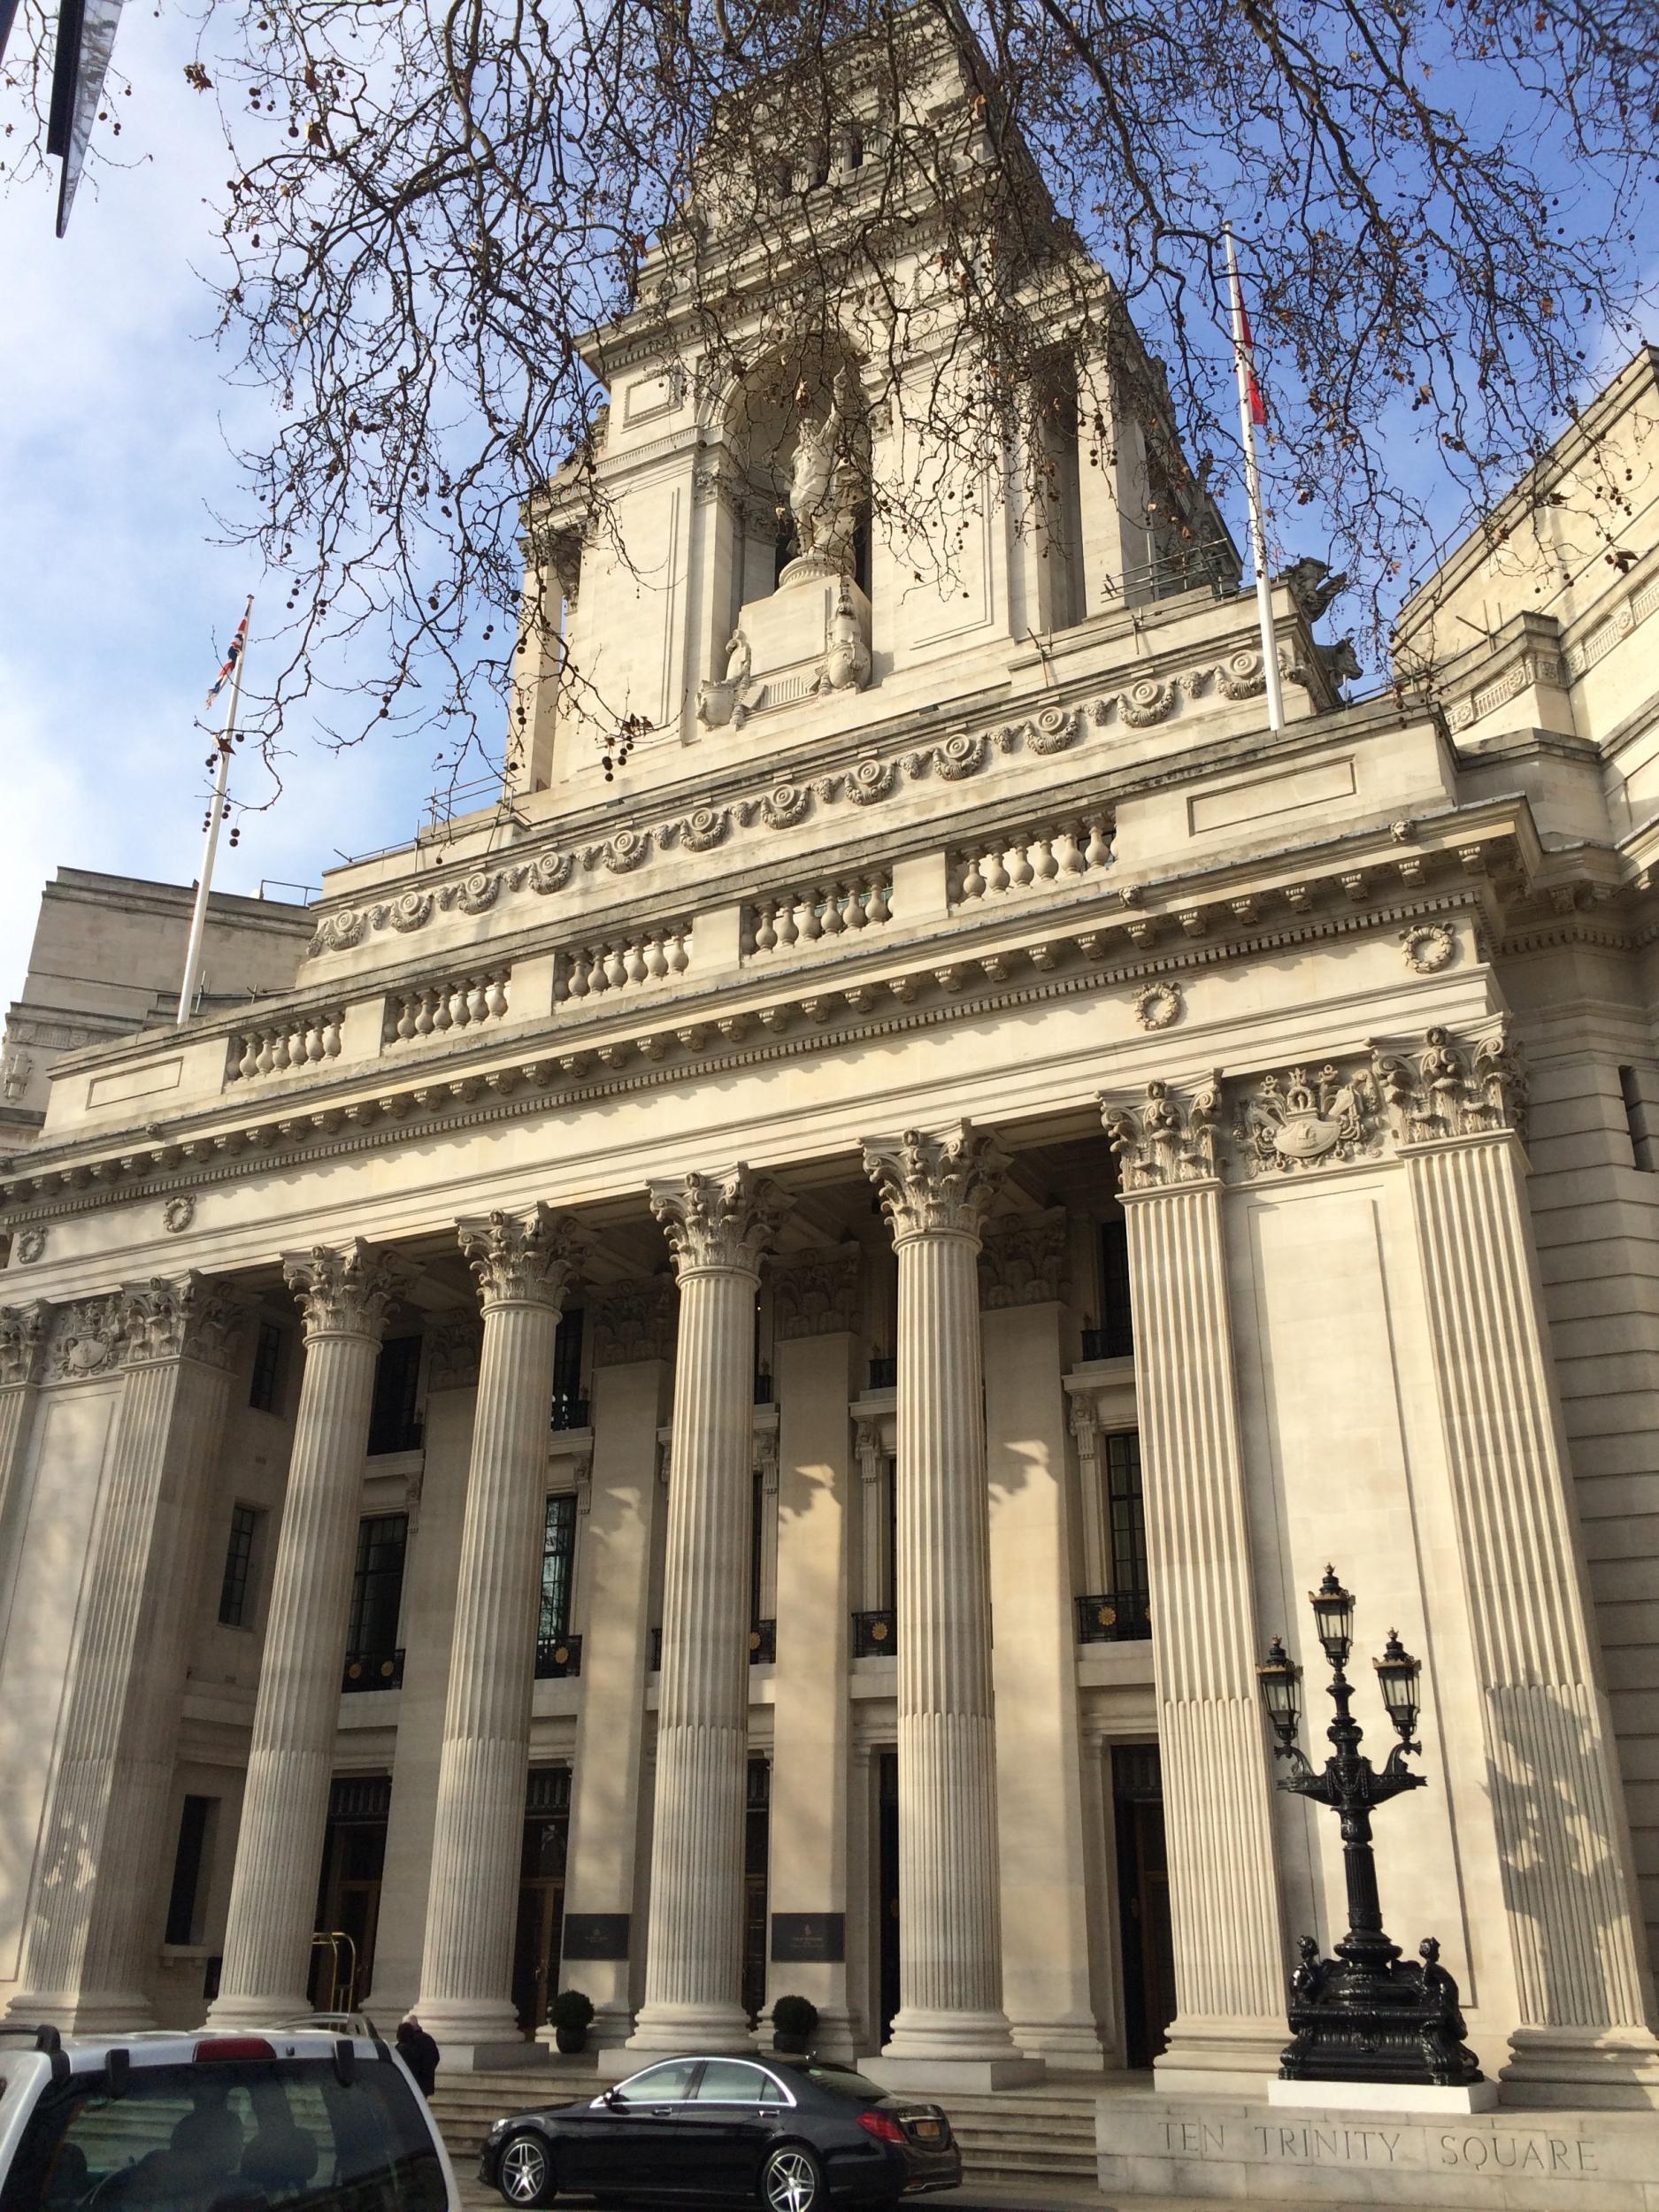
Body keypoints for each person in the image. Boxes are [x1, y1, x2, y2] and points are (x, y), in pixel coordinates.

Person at [396, 2014, 440, 2097]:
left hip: (412, 2082)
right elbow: (436, 2058)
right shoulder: (428, 2039)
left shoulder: (408, 2043)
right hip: (426, 2082)